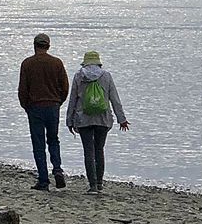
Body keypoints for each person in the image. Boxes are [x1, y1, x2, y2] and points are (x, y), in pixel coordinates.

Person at [66, 50, 129, 194]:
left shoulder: (79, 76)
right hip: (103, 118)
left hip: (83, 119)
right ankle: (100, 183)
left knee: (88, 151)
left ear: (85, 62)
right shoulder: (106, 76)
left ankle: (92, 185)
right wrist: (122, 119)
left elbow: (73, 100)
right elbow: (114, 99)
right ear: (99, 62)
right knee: (99, 150)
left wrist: (69, 120)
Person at [18, 33, 69, 190]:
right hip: (53, 106)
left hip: (35, 107)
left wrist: (26, 106)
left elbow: (22, 89)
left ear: (35, 46)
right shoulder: (57, 63)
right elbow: (65, 87)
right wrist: (58, 102)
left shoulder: (27, 63)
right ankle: (58, 169)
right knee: (53, 139)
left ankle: (43, 179)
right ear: (48, 46)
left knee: (38, 143)